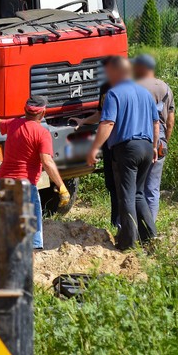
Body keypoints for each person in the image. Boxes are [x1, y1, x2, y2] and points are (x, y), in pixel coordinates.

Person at [0, 95, 70, 249]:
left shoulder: (14, 124)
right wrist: (62, 187)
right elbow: (47, 161)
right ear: (42, 113)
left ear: (25, 110)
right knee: (31, 237)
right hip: (25, 186)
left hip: (4, 184)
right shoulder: (42, 133)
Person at [86, 56, 159, 251]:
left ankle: (128, 242)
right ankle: (150, 236)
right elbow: (156, 122)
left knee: (126, 196)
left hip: (127, 149)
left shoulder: (114, 93)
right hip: (145, 146)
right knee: (138, 194)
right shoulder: (145, 93)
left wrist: (94, 148)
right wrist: (153, 146)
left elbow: (107, 123)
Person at [69, 57, 118, 229]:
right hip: (109, 143)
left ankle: (126, 226)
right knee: (112, 183)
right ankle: (116, 222)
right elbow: (101, 114)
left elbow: (108, 121)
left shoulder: (126, 87)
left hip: (121, 142)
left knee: (123, 186)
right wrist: (83, 122)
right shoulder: (105, 88)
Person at [132, 53, 175, 221]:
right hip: (160, 139)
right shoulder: (165, 88)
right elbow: (170, 120)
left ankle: (134, 226)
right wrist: (164, 141)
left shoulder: (133, 87)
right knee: (153, 188)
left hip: (137, 138)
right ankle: (151, 228)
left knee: (134, 187)